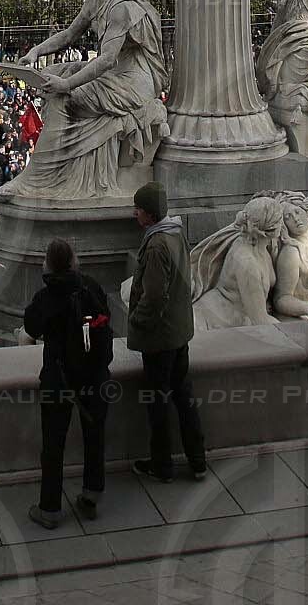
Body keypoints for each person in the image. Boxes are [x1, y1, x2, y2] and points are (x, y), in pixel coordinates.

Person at [21, 238, 112, 530]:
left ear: (48, 264)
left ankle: (50, 508)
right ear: (74, 260)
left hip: (59, 380)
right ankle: (91, 495)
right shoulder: (91, 287)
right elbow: (105, 315)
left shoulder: (46, 297)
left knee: (53, 443)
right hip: (94, 376)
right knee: (94, 435)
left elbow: (31, 327)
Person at [126, 183, 207, 483]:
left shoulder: (158, 244)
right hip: (179, 332)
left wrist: (137, 319)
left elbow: (155, 295)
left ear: (148, 214)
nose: (134, 213)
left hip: (160, 337)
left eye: (137, 209)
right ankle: (197, 461)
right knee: (183, 397)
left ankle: (162, 465)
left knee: (157, 403)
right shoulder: (175, 233)